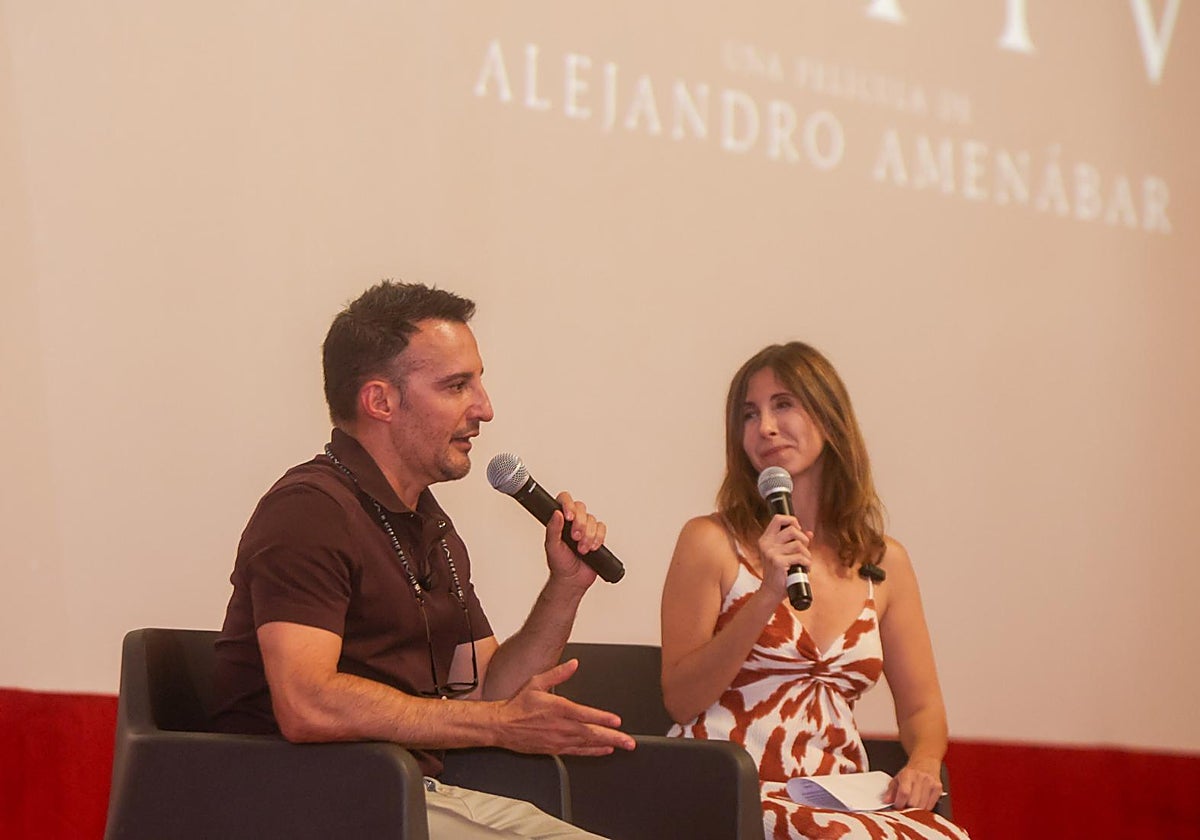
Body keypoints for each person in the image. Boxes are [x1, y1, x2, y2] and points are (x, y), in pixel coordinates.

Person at [212, 280, 634, 839]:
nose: (484, 408)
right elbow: (307, 703)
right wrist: (496, 724)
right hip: (307, 801)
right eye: (457, 385)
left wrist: (565, 586)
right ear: (381, 401)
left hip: (406, 794)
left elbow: (489, 692)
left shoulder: (427, 523)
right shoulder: (309, 511)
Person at [660, 342, 969, 839]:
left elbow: (921, 708)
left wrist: (926, 763)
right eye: (748, 414)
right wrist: (765, 596)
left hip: (840, 795)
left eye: (783, 404)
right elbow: (680, 699)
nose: (765, 427)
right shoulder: (710, 542)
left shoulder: (883, 562)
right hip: (730, 791)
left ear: (829, 417)